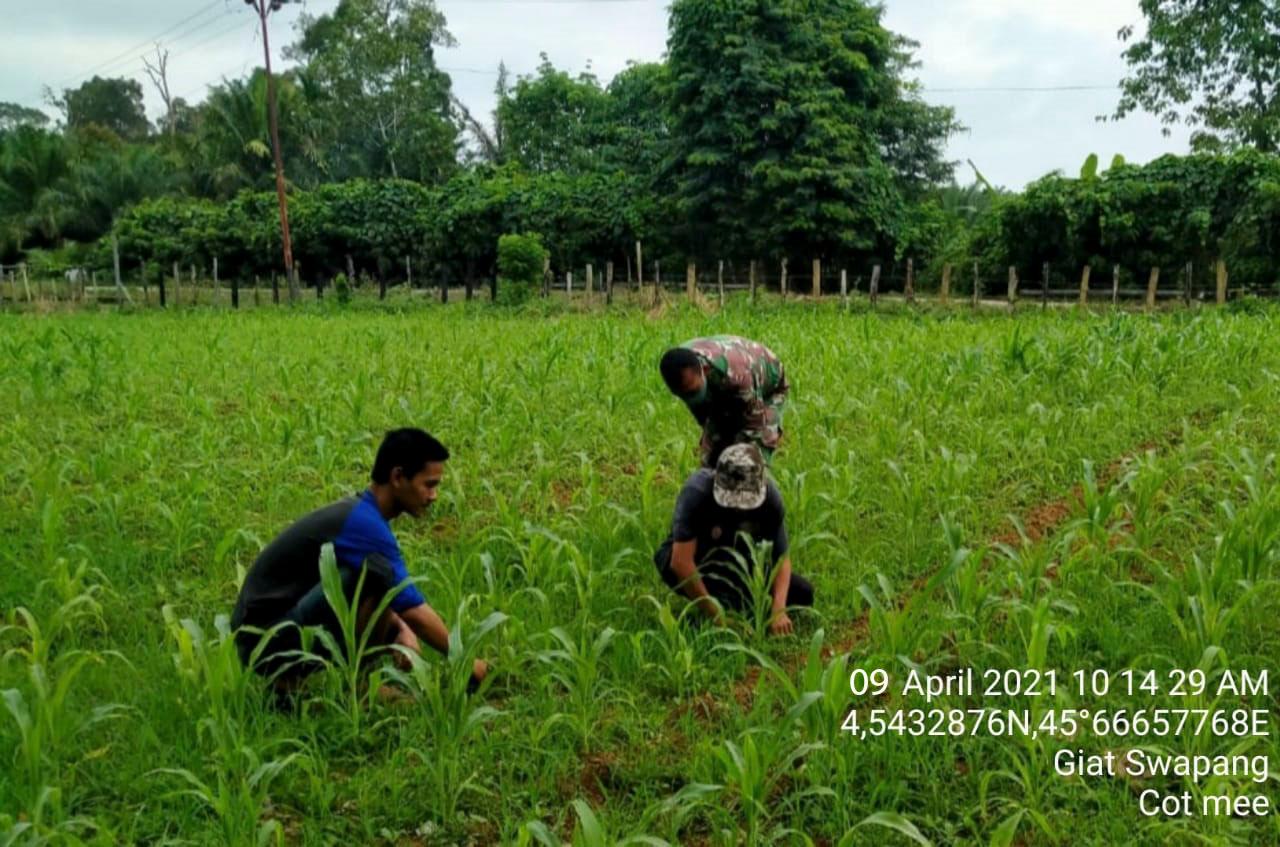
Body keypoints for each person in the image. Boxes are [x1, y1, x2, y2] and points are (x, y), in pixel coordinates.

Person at [230, 428, 488, 691]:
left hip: (258, 633)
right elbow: (413, 609)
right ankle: (353, 687)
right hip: (264, 640)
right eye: (429, 485)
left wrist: (400, 628)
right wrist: (467, 661)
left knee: (378, 575)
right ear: (398, 476)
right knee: (379, 576)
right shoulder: (364, 524)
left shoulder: (358, 513)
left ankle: (340, 683)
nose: (434, 496)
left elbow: (399, 604)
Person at [653, 443, 813, 634]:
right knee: (728, 601)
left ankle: (733, 600)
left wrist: (778, 609)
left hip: (740, 557)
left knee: (802, 592)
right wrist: (720, 618)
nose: (738, 508)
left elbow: (781, 558)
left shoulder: (770, 499)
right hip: (700, 556)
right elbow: (680, 562)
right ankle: (713, 605)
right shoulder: (697, 493)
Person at [659, 335, 790, 467]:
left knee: (752, 458)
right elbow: (705, 419)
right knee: (711, 458)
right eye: (683, 395)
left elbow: (754, 426)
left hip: (769, 384)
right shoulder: (677, 367)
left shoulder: (737, 376)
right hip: (724, 380)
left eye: (693, 392)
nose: (689, 398)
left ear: (705, 370)